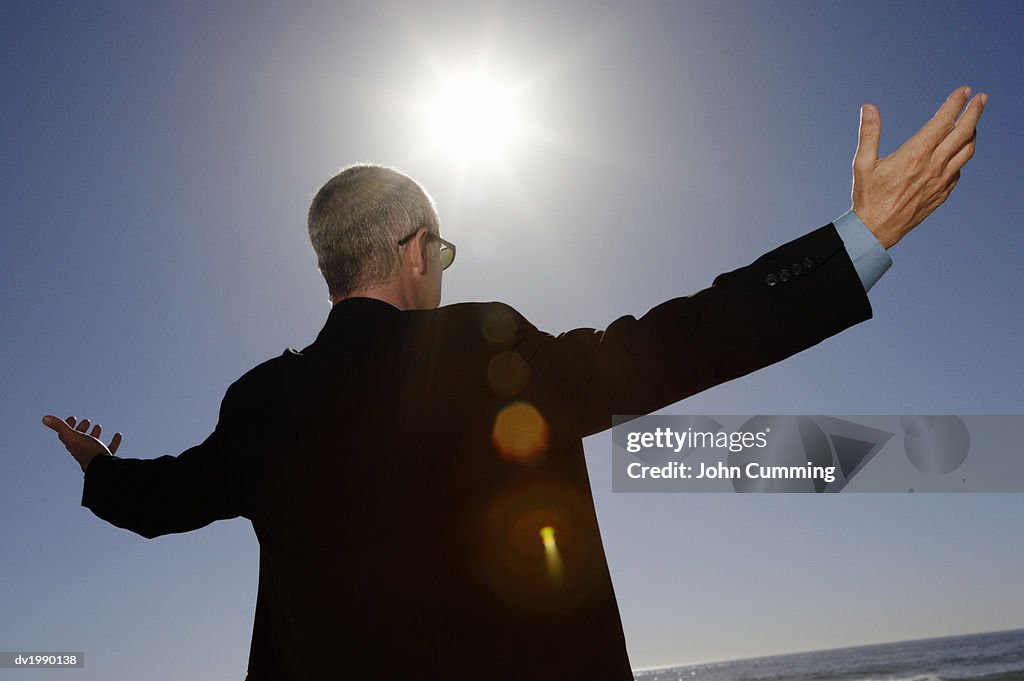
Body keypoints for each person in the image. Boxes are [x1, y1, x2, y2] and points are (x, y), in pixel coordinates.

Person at [43, 86, 985, 680]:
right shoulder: (478, 352)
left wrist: (95, 465)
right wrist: (858, 241)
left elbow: (160, 497)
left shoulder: (260, 406)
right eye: (440, 247)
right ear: (416, 250)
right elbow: (673, 344)